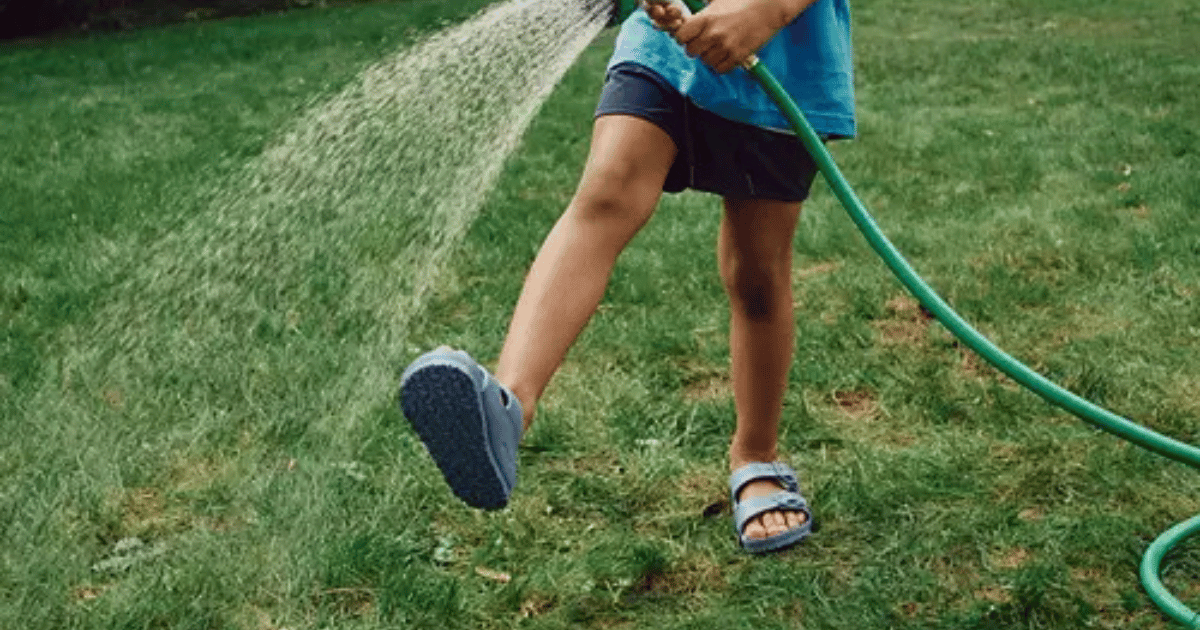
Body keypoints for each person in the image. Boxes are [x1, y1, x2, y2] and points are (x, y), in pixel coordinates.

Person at [399, 0, 855, 553]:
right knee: (607, 195)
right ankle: (506, 412)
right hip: (661, 49)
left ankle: (755, 456)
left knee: (754, 272)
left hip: (778, 61)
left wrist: (769, 8)